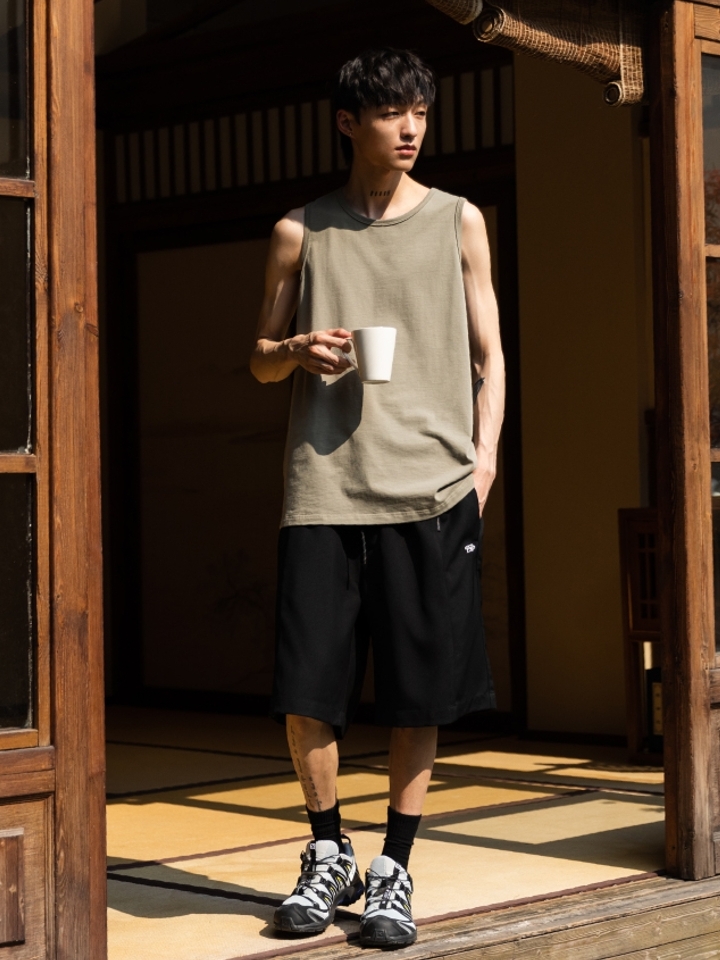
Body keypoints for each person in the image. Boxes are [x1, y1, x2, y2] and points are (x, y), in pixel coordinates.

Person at [250, 47, 504, 949]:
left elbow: (491, 354)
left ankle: (394, 869)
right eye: (393, 112)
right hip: (324, 489)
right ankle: (327, 850)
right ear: (347, 121)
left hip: (432, 490)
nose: (410, 129)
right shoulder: (300, 231)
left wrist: (484, 461)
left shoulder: (459, 221)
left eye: (421, 113)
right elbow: (257, 359)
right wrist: (296, 353)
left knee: (417, 693)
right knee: (307, 688)